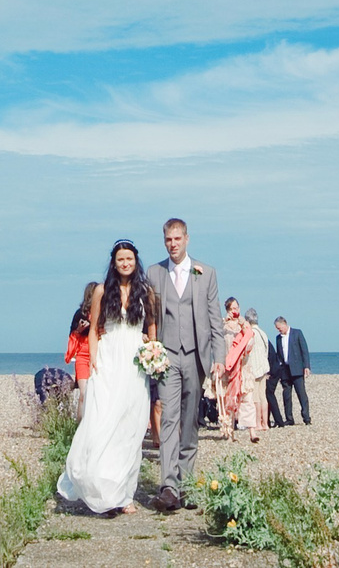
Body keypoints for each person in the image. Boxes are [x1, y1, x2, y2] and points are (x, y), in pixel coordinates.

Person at [57, 238, 160, 515]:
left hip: (135, 363)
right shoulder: (102, 291)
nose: (125, 263)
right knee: (103, 420)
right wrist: (94, 362)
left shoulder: (146, 291)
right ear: (114, 264)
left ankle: (124, 494)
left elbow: (151, 326)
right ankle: (97, 485)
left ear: (135, 261)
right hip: (108, 359)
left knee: (131, 425)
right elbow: (93, 330)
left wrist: (153, 352)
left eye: (129, 259)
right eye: (120, 260)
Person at [149, 217, 223, 512]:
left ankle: (187, 484)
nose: (173, 244)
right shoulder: (154, 273)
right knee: (168, 418)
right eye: (168, 240)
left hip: (195, 356)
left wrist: (219, 359)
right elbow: (148, 316)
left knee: (190, 421)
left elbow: (215, 320)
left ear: (187, 239)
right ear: (164, 241)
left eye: (177, 239)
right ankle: (169, 487)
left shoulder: (206, 273)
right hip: (166, 356)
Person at [218, 301, 265, 443]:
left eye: (236, 308)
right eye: (232, 308)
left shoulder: (244, 326)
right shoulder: (222, 326)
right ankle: (229, 432)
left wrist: (242, 323)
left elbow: (250, 340)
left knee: (247, 399)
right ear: (227, 310)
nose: (235, 311)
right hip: (228, 367)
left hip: (243, 367)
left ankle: (252, 431)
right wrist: (223, 322)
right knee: (228, 399)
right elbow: (214, 339)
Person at [267, 315, 312, 427]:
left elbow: (304, 350)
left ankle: (306, 418)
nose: (278, 330)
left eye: (279, 327)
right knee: (286, 395)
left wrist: (306, 366)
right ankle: (289, 418)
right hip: (285, 370)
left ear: (284, 324)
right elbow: (279, 355)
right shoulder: (278, 338)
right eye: (277, 328)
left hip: (297, 369)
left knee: (301, 394)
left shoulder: (297, 333)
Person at [65, 291, 96, 387]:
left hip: (98, 354)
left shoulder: (104, 314)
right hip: (83, 355)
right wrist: (79, 329)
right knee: (84, 391)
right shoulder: (80, 313)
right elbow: (72, 337)